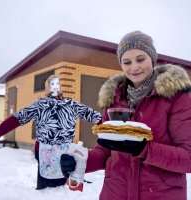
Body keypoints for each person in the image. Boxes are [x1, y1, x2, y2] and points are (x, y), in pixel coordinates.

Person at [60, 31, 191, 200]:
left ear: (152, 58)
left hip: (160, 195)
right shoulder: (113, 98)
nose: (134, 67)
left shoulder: (176, 97)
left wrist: (145, 149)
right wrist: (80, 162)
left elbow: (188, 158)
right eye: (126, 62)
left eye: (140, 59)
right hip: (115, 193)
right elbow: (106, 151)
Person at [0, 75, 102, 190]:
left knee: (63, 185)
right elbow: (20, 117)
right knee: (46, 186)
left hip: (65, 149)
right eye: (52, 84)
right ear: (47, 88)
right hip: (44, 150)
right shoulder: (40, 105)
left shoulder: (72, 105)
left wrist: (110, 124)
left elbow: (92, 115)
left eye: (57, 84)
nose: (55, 87)